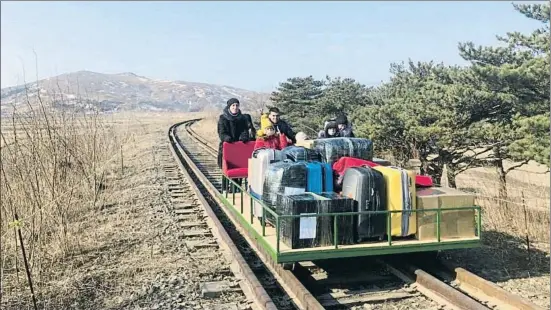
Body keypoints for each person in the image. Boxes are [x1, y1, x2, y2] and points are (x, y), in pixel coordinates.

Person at [217, 98, 253, 190]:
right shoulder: (223, 118)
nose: (235, 107)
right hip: (227, 146)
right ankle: (225, 189)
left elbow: (244, 130)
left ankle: (236, 189)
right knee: (225, 169)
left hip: (239, 147)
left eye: (237, 105)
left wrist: (243, 136)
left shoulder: (242, 118)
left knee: (239, 168)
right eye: (233, 105)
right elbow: (221, 132)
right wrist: (226, 138)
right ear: (229, 106)